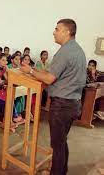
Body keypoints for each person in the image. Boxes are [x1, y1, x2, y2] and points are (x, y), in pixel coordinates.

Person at [20, 19, 86, 174]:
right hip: (73, 103)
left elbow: (49, 79)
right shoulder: (77, 50)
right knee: (61, 143)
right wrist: (37, 72)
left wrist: (30, 71)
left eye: (57, 29)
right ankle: (61, 171)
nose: (54, 32)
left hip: (62, 105)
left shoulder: (65, 51)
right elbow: (53, 74)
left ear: (66, 32)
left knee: (57, 145)